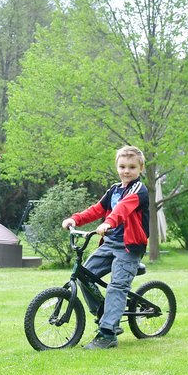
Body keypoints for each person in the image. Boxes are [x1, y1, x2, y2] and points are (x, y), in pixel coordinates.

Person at [61, 145, 150, 350]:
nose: (126, 171)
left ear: (141, 169)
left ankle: (108, 334)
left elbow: (123, 209)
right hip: (110, 244)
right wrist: (75, 219)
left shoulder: (139, 190)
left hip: (129, 248)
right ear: (117, 167)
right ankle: (105, 312)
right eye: (122, 166)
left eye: (132, 167)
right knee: (85, 274)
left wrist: (108, 223)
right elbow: (96, 210)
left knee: (117, 287)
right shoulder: (114, 189)